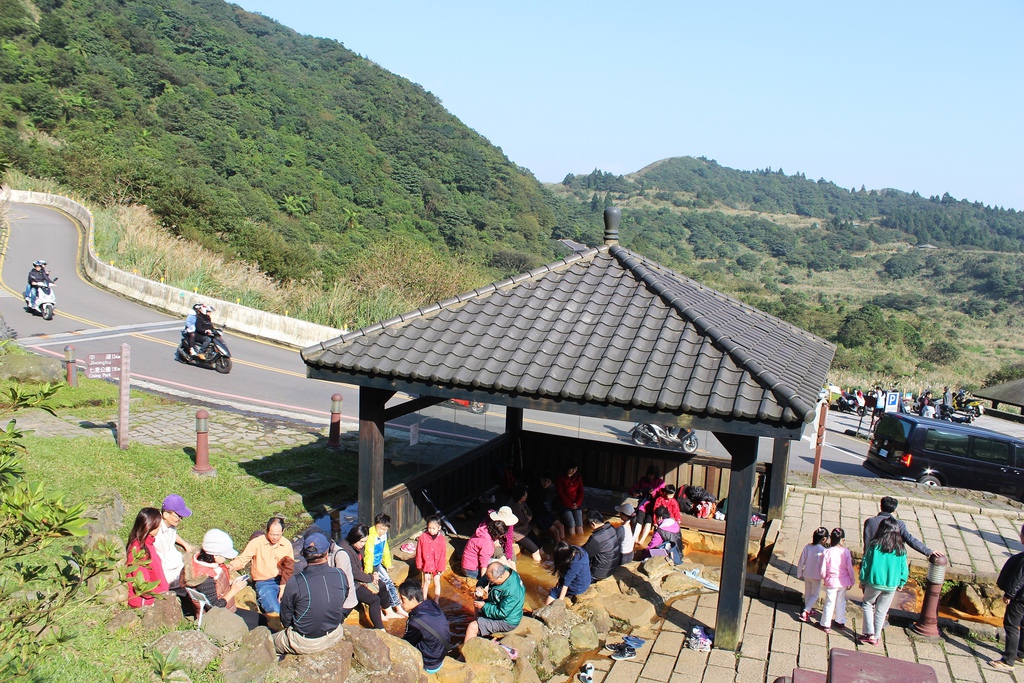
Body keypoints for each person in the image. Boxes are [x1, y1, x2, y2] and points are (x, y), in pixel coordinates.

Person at [273, 532, 347, 655]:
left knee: (268, 641)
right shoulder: (340, 574)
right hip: (335, 633)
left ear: (304, 555)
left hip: (306, 642)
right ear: (327, 553)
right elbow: (342, 598)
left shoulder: (295, 581)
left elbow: (286, 618)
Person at [182, 529, 263, 630]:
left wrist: (230, 583)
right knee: (262, 625)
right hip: (219, 617)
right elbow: (214, 607)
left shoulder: (202, 561)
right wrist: (233, 590)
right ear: (215, 555)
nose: (226, 559)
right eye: (225, 556)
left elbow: (216, 586)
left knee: (262, 619)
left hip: (227, 608)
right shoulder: (205, 578)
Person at [858, 517, 908, 646]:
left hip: (874, 582)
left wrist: (862, 579)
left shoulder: (874, 545)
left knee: (868, 604)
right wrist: (902, 582)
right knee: (882, 610)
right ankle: (876, 636)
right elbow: (904, 568)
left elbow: (866, 564)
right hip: (892, 585)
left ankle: (869, 633)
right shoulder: (900, 548)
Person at [230, 516, 294, 616]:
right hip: (264, 582)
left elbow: (289, 568)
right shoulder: (256, 543)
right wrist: (231, 566)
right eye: (272, 534)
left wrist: (283, 586)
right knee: (275, 610)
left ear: (283, 531)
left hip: (283, 580)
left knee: (294, 606)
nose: (275, 537)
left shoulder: (286, 544)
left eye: (278, 534)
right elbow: (243, 559)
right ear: (267, 531)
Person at [340, 524, 396, 628]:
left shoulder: (359, 546)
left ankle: (388, 611)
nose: (363, 544)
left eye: (365, 541)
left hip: (364, 577)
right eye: (361, 541)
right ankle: (380, 628)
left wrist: (373, 572)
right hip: (352, 584)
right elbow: (354, 573)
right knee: (374, 599)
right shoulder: (345, 550)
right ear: (354, 538)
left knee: (382, 586)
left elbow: (368, 559)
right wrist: (370, 578)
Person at [863, 497, 944, 560]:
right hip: (890, 560)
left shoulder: (869, 521)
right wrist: (928, 551)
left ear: (881, 507)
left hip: (871, 557)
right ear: (894, 510)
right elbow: (910, 539)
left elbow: (866, 540)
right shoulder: (899, 524)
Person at [464, 560, 526, 640]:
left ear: (500, 577)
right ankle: (480, 629)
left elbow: (502, 613)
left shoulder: (512, 591)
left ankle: (468, 649)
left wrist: (484, 606)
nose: (490, 582)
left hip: (506, 620)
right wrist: (480, 586)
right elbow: (486, 578)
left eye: (492, 582)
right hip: (498, 605)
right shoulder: (504, 570)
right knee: (477, 602)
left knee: (472, 627)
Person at [991, 524, 1024, 671]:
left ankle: (1008, 660)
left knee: (1011, 625)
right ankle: (1021, 653)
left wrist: (1009, 594)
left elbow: (1019, 579)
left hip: (1020, 598)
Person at [400, 579, 450, 674]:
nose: (401, 604)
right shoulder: (432, 604)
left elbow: (407, 643)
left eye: (403, 600)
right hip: (441, 655)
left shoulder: (415, 621)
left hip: (430, 664)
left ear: (413, 599)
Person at [365, 513, 407, 616]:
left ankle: (397, 606)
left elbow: (385, 549)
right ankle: (394, 607)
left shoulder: (383, 535)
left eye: (384, 529)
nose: (382, 531)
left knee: (389, 582)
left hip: (378, 563)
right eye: (380, 528)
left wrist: (387, 564)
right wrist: (368, 572)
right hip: (372, 565)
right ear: (375, 525)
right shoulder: (371, 535)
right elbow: (369, 553)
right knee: (386, 583)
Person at [126, 508, 169, 608]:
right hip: (145, 602)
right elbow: (143, 587)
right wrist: (162, 591)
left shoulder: (148, 544)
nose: (160, 526)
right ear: (150, 525)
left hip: (157, 595)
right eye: (158, 522)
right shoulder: (138, 549)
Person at [154, 494, 194, 588]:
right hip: (165, 570)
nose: (180, 520)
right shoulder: (156, 530)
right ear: (166, 514)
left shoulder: (170, 525)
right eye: (178, 516)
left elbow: (173, 534)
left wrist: (185, 544)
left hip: (176, 563)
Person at [818, 528, 854, 634]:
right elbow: (850, 569)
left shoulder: (827, 552)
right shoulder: (846, 552)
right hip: (843, 581)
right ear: (842, 540)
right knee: (841, 601)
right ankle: (840, 621)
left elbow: (822, 569)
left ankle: (825, 624)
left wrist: (824, 578)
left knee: (829, 602)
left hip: (831, 581)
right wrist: (852, 581)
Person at [797, 526, 829, 622]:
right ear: (824, 539)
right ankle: (806, 611)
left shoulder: (808, 547)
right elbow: (825, 566)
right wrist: (825, 577)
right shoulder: (824, 551)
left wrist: (799, 572)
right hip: (816, 576)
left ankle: (808, 608)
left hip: (806, 574)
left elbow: (801, 561)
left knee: (807, 591)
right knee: (815, 594)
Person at [629, 465, 665, 546]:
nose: (651, 477)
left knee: (649, 521)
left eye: (653, 475)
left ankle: (642, 540)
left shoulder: (660, 482)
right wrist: (634, 492)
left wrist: (653, 493)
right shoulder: (643, 480)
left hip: (654, 506)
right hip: (643, 504)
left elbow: (661, 496)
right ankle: (635, 538)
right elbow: (632, 489)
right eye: (650, 475)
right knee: (639, 519)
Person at [507, 484, 543, 562]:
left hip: (525, 528)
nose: (526, 497)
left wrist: (528, 518)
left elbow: (530, 514)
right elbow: (525, 521)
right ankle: (538, 566)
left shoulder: (522, 502)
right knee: (535, 550)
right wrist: (527, 519)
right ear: (519, 496)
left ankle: (545, 560)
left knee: (540, 547)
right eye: (524, 496)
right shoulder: (514, 506)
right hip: (517, 532)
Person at [415, 515, 447, 601]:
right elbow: (418, 552)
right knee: (426, 582)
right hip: (427, 564)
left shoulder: (442, 539)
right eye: (429, 528)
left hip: (437, 565)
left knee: (437, 583)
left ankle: (436, 601)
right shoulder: (422, 537)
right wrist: (419, 564)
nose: (431, 530)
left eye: (433, 528)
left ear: (439, 528)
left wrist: (441, 567)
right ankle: (424, 599)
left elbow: (443, 554)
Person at [527, 473, 565, 544]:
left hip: (542, 509)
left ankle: (564, 545)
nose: (546, 484)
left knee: (561, 526)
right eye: (545, 481)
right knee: (555, 531)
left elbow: (542, 503)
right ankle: (561, 550)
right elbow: (531, 506)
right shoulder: (533, 488)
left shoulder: (545, 489)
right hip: (536, 514)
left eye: (549, 482)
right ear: (541, 479)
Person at [582, 509, 619, 581]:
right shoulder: (611, 528)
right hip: (612, 568)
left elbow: (584, 553)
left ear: (593, 524)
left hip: (599, 574)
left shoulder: (596, 538)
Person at [556, 462, 584, 536]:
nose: (574, 471)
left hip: (576, 503)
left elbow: (581, 491)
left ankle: (581, 542)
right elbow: (560, 493)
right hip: (564, 504)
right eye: (572, 469)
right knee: (571, 523)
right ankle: (574, 542)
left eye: (576, 469)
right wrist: (570, 504)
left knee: (579, 522)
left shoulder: (578, 477)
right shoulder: (561, 478)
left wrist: (577, 503)